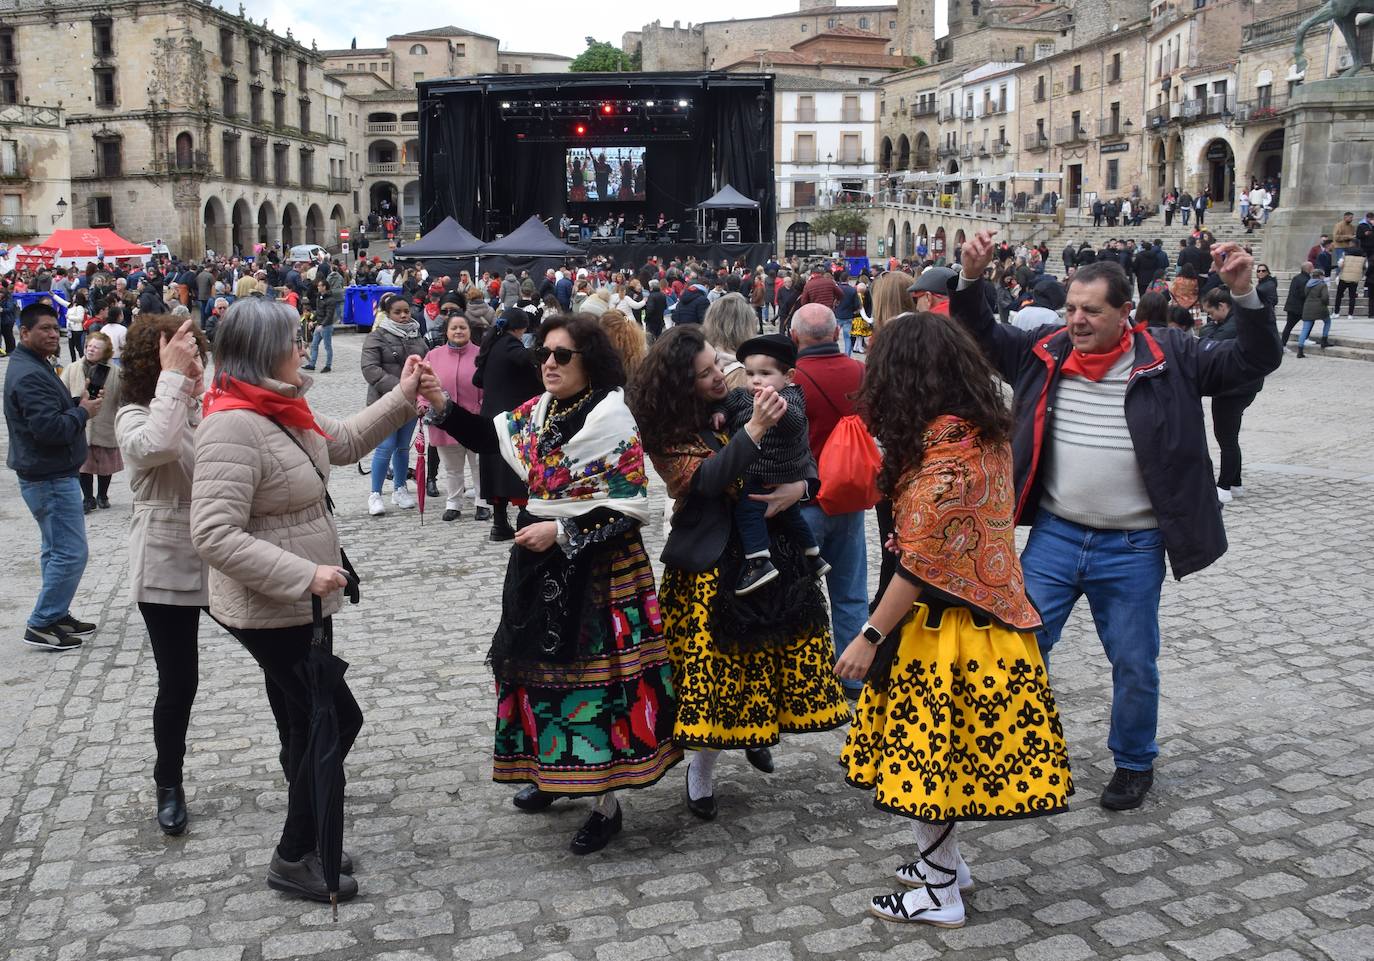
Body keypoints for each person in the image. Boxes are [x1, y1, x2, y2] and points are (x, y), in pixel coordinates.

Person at [951, 229, 1280, 811]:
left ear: (1125, 311)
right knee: (1019, 646)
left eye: (1090, 311)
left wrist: (1247, 295)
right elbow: (978, 333)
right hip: (1054, 534)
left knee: (1132, 660)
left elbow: (1254, 359)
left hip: (1132, 544)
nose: (1076, 320)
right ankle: (1007, 748)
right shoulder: (1045, 351)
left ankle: (1132, 761)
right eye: (1072, 308)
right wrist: (972, 279)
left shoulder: (1171, 355)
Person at [835, 308, 1071, 928]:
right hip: (987, 621)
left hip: (951, 633)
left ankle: (939, 891)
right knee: (941, 756)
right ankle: (947, 866)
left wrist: (868, 635)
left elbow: (919, 567)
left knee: (926, 761)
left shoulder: (947, 458)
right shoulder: (979, 433)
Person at [190, 298, 427, 904]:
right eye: (295, 341)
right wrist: (303, 574)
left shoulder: (279, 405)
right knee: (335, 720)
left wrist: (402, 395)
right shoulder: (232, 422)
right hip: (272, 606)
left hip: (304, 602)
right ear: (264, 351)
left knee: (304, 721)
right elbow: (213, 533)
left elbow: (341, 443)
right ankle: (295, 854)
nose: (304, 348)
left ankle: (314, 829)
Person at [421, 314, 682, 855]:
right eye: (545, 353)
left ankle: (605, 802)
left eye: (562, 355)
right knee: (536, 671)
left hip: (601, 568)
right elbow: (487, 436)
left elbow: (630, 507)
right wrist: (441, 405)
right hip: (538, 563)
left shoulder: (612, 418)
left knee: (598, 683)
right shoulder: (537, 413)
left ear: (590, 361)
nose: (549, 364)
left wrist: (563, 530)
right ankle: (551, 772)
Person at [630, 325, 851, 821]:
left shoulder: (742, 392)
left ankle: (756, 731)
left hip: (770, 547)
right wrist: (752, 430)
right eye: (705, 372)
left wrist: (801, 487)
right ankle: (701, 772)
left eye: (717, 364)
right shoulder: (664, 426)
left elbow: (797, 448)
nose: (719, 376)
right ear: (677, 381)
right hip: (713, 556)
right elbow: (705, 481)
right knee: (717, 670)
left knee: (767, 657)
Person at [115, 314, 211, 835]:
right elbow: (158, 446)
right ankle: (168, 781)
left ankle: (299, 765)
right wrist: (173, 379)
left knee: (276, 657)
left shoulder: (200, 406)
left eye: (197, 353)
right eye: (184, 353)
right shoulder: (132, 413)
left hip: (223, 553)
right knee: (179, 680)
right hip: (167, 557)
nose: (195, 362)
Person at [4, 302, 103, 652]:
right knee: (70, 553)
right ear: (24, 332)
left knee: (54, 550)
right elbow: (48, 429)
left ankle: (57, 613)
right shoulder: (29, 373)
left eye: (53, 327)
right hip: (49, 475)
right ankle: (43, 621)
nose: (51, 334)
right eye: (43, 329)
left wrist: (76, 402)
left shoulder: (33, 365)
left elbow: (46, 414)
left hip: (47, 472)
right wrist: (82, 412)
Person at [789, 303, 867, 699]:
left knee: (798, 593)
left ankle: (804, 677)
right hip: (848, 498)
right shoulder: (859, 372)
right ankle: (853, 676)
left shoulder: (792, 380)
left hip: (802, 503)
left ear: (795, 337)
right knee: (850, 590)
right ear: (836, 334)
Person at [711, 334, 828, 594]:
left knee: (750, 510)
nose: (756, 380)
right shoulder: (742, 396)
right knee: (791, 515)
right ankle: (813, 555)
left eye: (765, 373)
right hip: (759, 472)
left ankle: (759, 561)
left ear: (788, 377)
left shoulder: (789, 397)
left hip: (770, 472)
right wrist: (719, 413)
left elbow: (796, 426)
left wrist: (778, 410)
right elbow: (727, 405)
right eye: (750, 373)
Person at [474, 308, 543, 541]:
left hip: (489, 417)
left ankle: (499, 524)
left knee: (494, 471)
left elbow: (477, 379)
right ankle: (527, 520)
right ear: (521, 328)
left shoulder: (492, 345)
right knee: (517, 467)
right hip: (511, 419)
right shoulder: (511, 346)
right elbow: (526, 358)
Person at [362, 293, 428, 516]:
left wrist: (421, 394)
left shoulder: (417, 336)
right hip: (384, 401)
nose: (403, 316)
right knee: (385, 446)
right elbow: (370, 369)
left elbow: (427, 366)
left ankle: (400, 488)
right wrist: (402, 387)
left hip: (409, 403)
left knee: (402, 447)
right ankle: (375, 494)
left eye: (406, 311)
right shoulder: (376, 337)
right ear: (387, 314)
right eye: (397, 312)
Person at [424, 308, 488, 522]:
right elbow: (422, 384)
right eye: (454, 328)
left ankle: (483, 502)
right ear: (447, 331)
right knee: (452, 467)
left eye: (463, 327)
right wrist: (424, 404)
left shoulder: (481, 354)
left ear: (470, 330)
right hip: (444, 420)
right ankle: (453, 503)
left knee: (478, 464)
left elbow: (489, 385)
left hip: (476, 420)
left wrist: (483, 406)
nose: (458, 331)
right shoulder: (433, 356)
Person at [60, 331, 123, 512]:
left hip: (105, 422)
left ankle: (102, 495)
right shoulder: (72, 368)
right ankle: (88, 498)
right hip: (80, 424)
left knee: (105, 465)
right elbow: (61, 391)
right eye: (89, 346)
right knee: (83, 465)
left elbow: (123, 396)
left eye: (96, 347)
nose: (90, 349)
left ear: (106, 351)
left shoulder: (116, 372)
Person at [303, 277, 337, 373]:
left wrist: (322, 324)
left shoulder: (331, 300)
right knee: (314, 345)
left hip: (326, 326)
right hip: (319, 325)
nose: (318, 287)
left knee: (327, 346)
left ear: (324, 287)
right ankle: (312, 364)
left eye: (319, 286)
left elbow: (329, 315)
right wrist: (311, 320)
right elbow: (318, 311)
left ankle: (328, 366)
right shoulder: (319, 297)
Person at [1297, 267, 1331, 359]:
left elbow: (1305, 294)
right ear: (1320, 276)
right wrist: (1326, 304)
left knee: (1305, 329)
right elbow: (1325, 297)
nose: (1323, 277)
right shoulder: (1322, 285)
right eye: (1323, 275)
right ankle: (1324, 340)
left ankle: (1300, 350)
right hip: (1320, 308)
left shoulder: (1308, 284)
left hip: (1307, 307)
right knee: (1327, 322)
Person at [1281, 261, 1312, 347]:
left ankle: (1283, 344)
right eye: (1311, 267)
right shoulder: (1306, 280)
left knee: (1288, 326)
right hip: (1298, 308)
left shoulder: (1297, 277)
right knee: (1309, 321)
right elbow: (1303, 294)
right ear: (1308, 269)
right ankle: (1304, 339)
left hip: (1291, 306)